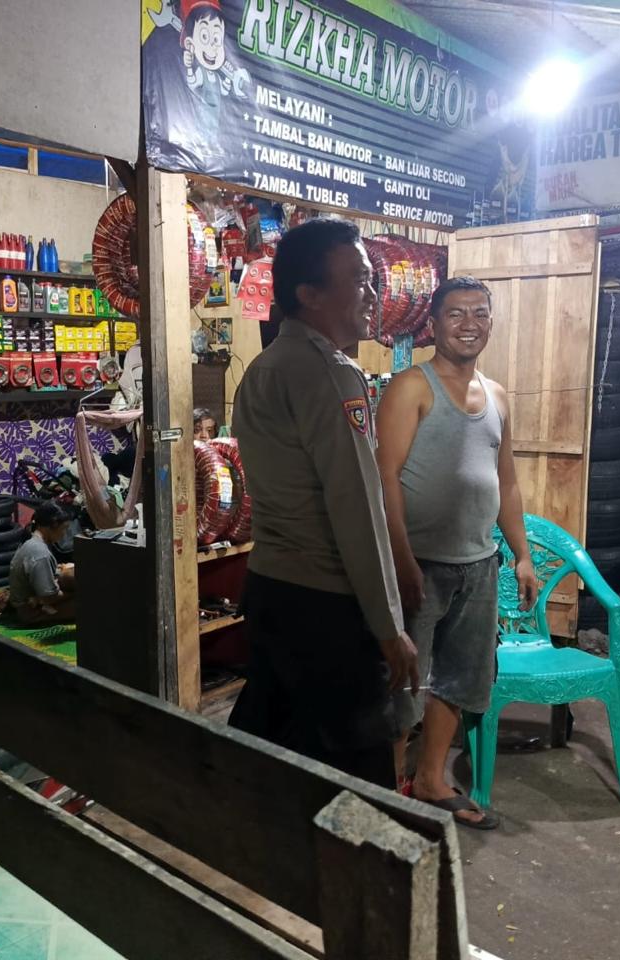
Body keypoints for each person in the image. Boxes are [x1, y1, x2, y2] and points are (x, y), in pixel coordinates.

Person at [229, 217, 419, 788]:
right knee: (357, 778)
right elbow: (356, 506)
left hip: (271, 590)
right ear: (308, 294)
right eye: (358, 280)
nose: (372, 294)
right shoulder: (330, 374)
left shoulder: (263, 370)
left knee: (277, 761)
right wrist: (389, 626)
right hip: (326, 609)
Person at [375, 275, 540, 829]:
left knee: (460, 680)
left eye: (480, 314)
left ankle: (430, 780)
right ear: (433, 324)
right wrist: (400, 560)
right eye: (456, 314)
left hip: (479, 564)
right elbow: (385, 478)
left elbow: (506, 482)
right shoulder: (411, 387)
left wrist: (521, 554)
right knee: (401, 686)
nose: (469, 324)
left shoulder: (497, 396)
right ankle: (387, 793)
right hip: (418, 566)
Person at [3, 502, 76, 625]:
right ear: (54, 524)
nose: (65, 534)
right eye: (64, 528)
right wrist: (74, 593)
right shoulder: (40, 553)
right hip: (32, 612)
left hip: (34, 601)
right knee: (93, 603)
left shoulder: (32, 542)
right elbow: (49, 597)